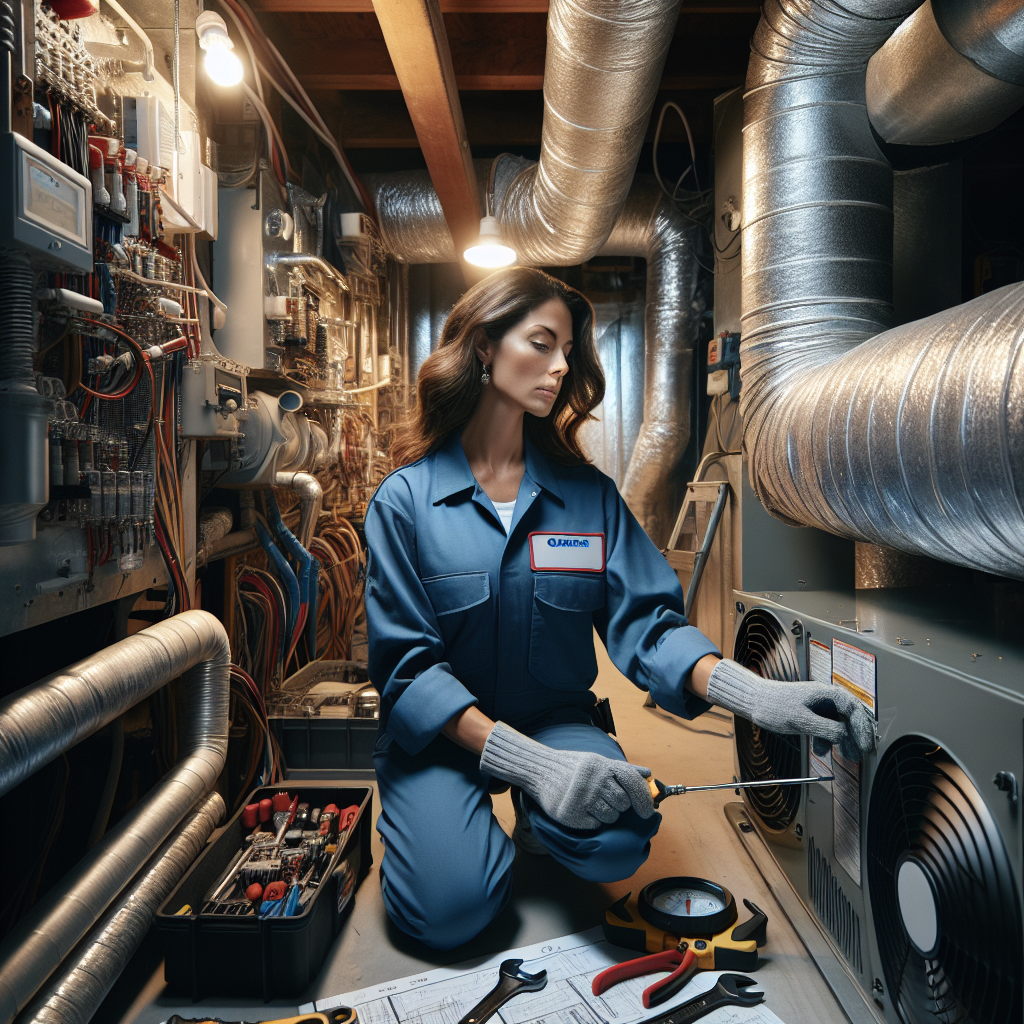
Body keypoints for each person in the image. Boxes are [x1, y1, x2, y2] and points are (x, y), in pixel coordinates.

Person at [364, 268, 873, 950]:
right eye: (541, 343)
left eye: (567, 350)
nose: (560, 366)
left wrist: (752, 694)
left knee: (620, 836)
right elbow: (408, 670)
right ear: (484, 347)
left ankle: (545, 824)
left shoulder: (587, 497)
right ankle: (494, 814)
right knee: (449, 913)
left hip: (554, 720)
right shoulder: (405, 502)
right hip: (445, 741)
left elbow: (650, 624)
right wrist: (535, 769)